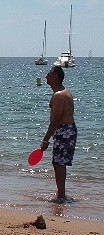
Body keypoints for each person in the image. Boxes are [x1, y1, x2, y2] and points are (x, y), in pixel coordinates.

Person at [39, 65, 76, 202]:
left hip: (64, 130)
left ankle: (61, 195)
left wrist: (45, 140)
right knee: (59, 162)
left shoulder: (59, 96)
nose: (46, 77)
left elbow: (55, 120)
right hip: (67, 129)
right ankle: (61, 193)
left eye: (48, 74)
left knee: (58, 163)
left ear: (56, 77)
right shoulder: (63, 93)